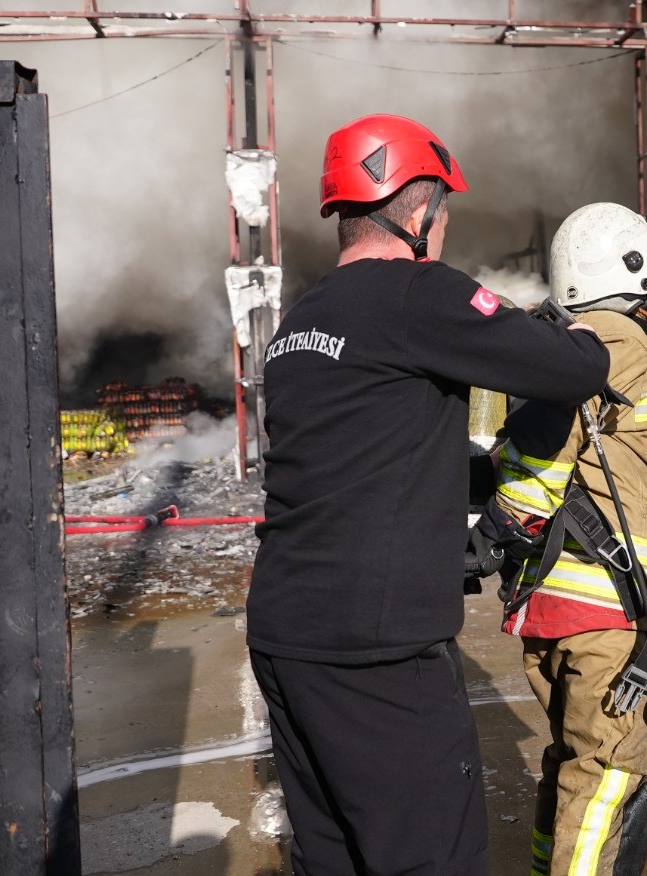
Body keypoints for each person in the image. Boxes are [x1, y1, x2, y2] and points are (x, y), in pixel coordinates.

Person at [246, 114, 612, 876]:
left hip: (285, 634)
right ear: (419, 215)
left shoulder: (302, 321)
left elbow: (365, 456)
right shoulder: (417, 295)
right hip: (377, 650)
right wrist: (586, 332)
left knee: (335, 856)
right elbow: (570, 369)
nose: (442, 232)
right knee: (429, 858)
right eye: (442, 216)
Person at [476, 203, 647, 876]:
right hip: (604, 607)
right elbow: (545, 448)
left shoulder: (567, 341)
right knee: (606, 775)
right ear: (629, 267)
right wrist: (504, 522)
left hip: (564, 605)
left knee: (579, 768)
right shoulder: (613, 336)